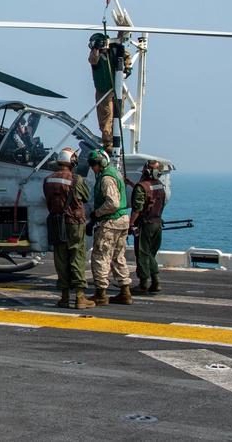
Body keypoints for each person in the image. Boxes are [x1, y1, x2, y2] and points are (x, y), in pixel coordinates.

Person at [43, 148, 95, 309]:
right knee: (77, 257)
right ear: (72, 162)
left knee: (60, 258)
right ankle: (80, 297)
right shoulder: (76, 180)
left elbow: (48, 199)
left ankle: (64, 296)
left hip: (56, 223)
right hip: (74, 223)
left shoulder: (48, 179)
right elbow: (85, 197)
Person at [85, 148, 133, 305]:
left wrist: (96, 214)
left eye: (94, 164)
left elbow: (112, 203)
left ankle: (100, 293)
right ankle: (125, 292)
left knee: (100, 256)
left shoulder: (106, 178)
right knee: (118, 256)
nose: (92, 167)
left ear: (101, 162)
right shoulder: (114, 173)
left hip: (110, 222)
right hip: (122, 220)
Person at [88, 33, 132, 151]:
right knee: (106, 116)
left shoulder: (114, 49)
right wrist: (96, 48)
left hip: (116, 88)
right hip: (103, 90)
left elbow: (126, 54)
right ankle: (108, 142)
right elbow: (93, 60)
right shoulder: (95, 55)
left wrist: (127, 68)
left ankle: (117, 141)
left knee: (118, 114)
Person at [130, 160, 166, 294]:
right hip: (157, 223)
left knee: (143, 253)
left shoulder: (141, 186)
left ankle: (143, 284)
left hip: (145, 225)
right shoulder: (159, 185)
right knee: (151, 253)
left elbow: (137, 208)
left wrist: (130, 223)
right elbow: (150, 195)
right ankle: (155, 282)